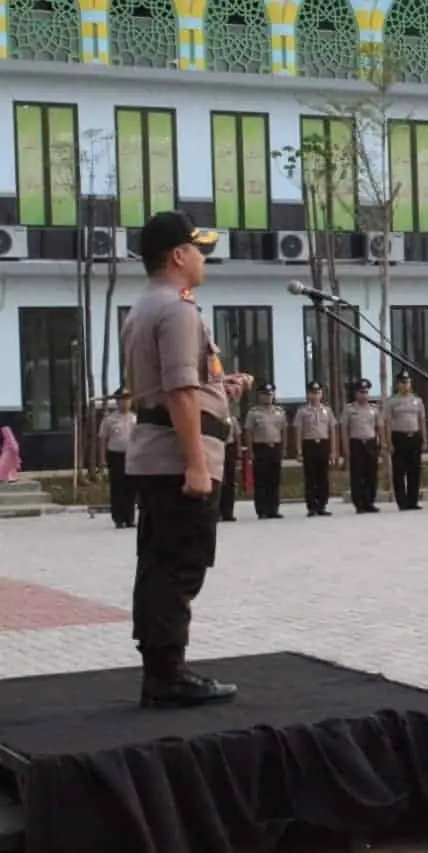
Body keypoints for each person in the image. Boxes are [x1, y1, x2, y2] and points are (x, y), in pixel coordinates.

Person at [122, 210, 242, 707]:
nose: (202, 256)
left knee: (160, 563)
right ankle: (167, 675)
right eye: (197, 248)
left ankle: (162, 667)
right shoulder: (177, 311)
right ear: (178, 255)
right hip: (177, 460)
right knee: (180, 565)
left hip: (157, 456)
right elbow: (179, 391)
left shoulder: (144, 306)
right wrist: (197, 464)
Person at [293, 380, 337, 517]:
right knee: (310, 477)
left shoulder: (327, 410)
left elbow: (332, 431)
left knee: (323, 477)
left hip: (323, 444)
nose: (315, 396)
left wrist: (333, 451)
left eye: (317, 393)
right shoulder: (302, 411)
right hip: (309, 444)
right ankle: (311, 507)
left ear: (321, 394)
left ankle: (322, 505)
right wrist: (299, 450)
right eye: (312, 393)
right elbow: (298, 431)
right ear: (308, 394)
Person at [384, 370, 426, 511]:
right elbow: (388, 422)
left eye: (407, 382)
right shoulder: (392, 401)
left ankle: (412, 501)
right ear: (397, 384)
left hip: (414, 436)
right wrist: (389, 442)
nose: (405, 385)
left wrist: (424, 439)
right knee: (399, 471)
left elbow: (422, 421)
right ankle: (402, 502)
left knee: (414, 471)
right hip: (399, 437)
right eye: (402, 382)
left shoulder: (418, 400)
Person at [244, 383, 286, 519]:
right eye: (264, 394)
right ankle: (261, 510)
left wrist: (283, 448)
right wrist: (250, 450)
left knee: (274, 479)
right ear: (259, 396)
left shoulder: (280, 412)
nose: (267, 397)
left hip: (275, 447)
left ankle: (273, 509)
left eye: (270, 394)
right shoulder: (253, 413)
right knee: (261, 479)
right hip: (260, 447)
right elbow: (249, 432)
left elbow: (283, 430)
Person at [98, 387, 138, 528]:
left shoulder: (135, 418)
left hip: (131, 456)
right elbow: (103, 439)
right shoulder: (110, 420)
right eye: (122, 399)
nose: (125, 403)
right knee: (117, 487)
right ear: (117, 401)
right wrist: (102, 460)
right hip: (115, 456)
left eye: (127, 399)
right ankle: (118, 518)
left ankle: (130, 518)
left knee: (131, 488)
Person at [342, 379, 380, 513]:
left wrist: (379, 444)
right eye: (361, 392)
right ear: (355, 393)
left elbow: (378, 427)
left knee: (371, 474)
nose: (364, 395)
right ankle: (359, 503)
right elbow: (345, 429)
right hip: (356, 443)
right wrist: (346, 448)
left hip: (370, 442)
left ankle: (370, 501)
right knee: (357, 474)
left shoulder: (374, 409)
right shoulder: (349, 409)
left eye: (366, 392)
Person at [219, 381, 243, 522]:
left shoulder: (232, 419)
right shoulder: (215, 417)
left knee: (230, 481)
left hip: (229, 448)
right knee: (218, 481)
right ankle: (216, 511)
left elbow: (237, 437)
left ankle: (228, 512)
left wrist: (239, 453)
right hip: (217, 448)